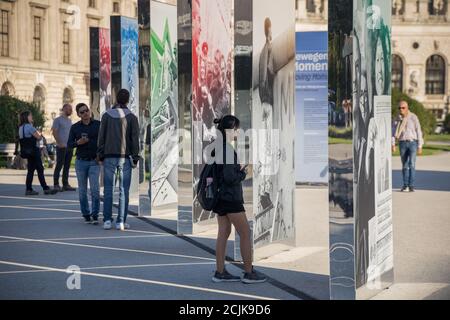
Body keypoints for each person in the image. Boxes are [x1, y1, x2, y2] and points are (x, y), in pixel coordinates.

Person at [211, 115, 267, 284]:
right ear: (230, 129)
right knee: (245, 233)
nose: (238, 132)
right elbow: (229, 177)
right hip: (230, 198)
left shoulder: (217, 146)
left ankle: (220, 272)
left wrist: (235, 168)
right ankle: (249, 273)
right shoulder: (227, 149)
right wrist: (242, 172)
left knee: (223, 233)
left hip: (219, 197)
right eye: (236, 129)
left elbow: (222, 172)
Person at [98, 89, 139, 231]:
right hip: (125, 158)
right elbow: (135, 140)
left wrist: (100, 154)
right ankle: (121, 221)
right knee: (123, 190)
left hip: (109, 156)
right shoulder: (132, 117)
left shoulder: (106, 116)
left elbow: (101, 137)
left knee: (108, 190)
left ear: (116, 99)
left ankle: (107, 220)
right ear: (127, 100)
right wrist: (135, 157)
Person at [67, 103, 101, 224]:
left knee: (95, 190)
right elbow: (69, 144)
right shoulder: (75, 127)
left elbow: (103, 142)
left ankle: (95, 214)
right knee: (82, 191)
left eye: (86, 110)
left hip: (94, 162)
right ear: (78, 114)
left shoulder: (98, 125)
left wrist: (100, 156)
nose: (85, 113)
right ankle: (86, 214)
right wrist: (78, 142)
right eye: (82, 112)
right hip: (81, 162)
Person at [18, 111, 57, 196]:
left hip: (26, 151)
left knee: (31, 170)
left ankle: (29, 189)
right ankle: (46, 188)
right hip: (34, 151)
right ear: (26, 117)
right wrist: (39, 135)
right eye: (30, 116)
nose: (32, 117)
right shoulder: (29, 127)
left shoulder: (21, 128)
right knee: (40, 169)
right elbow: (38, 137)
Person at [392, 100, 424, 192]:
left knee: (412, 165)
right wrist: (393, 144)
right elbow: (393, 132)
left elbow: (418, 131)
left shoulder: (413, 117)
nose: (401, 109)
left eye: (403, 107)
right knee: (405, 165)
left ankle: (411, 186)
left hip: (412, 143)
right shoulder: (397, 118)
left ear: (407, 108)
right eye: (399, 108)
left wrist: (420, 145)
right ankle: (405, 185)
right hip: (402, 143)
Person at [52, 104, 76, 192]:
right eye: (69, 109)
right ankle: (56, 184)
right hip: (61, 147)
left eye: (71, 109)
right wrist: (59, 143)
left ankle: (65, 184)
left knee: (67, 166)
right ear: (64, 109)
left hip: (69, 147)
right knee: (59, 165)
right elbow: (54, 132)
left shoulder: (69, 121)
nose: (71, 111)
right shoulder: (57, 120)